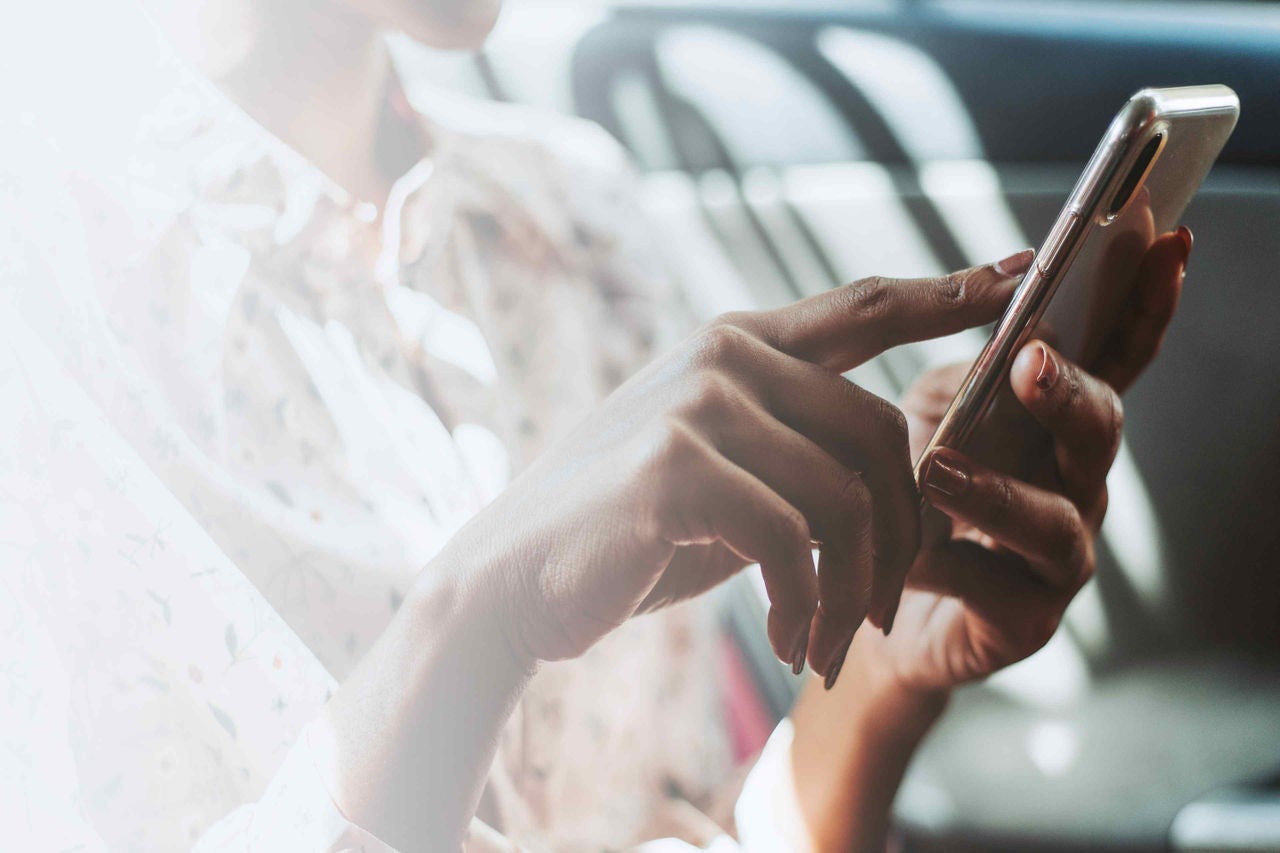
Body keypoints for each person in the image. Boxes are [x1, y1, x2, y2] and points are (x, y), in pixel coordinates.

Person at [0, 0, 1190, 850]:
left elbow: (685, 828)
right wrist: (478, 621)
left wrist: (877, 676)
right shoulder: (39, 306)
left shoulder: (577, 215)